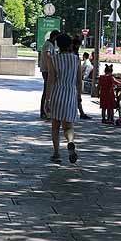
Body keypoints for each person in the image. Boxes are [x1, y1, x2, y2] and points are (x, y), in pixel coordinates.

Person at [48, 32, 80, 164]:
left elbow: (51, 79)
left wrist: (47, 100)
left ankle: (56, 153)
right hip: (70, 94)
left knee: (55, 126)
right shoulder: (76, 59)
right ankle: (70, 142)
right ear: (70, 45)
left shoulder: (53, 59)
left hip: (57, 93)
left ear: (57, 45)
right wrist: (78, 97)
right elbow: (79, 81)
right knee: (68, 127)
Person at [38, 29, 59, 120]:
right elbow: (48, 55)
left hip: (48, 70)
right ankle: (44, 111)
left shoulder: (51, 44)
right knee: (47, 91)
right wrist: (52, 65)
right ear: (54, 37)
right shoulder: (48, 45)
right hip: (47, 71)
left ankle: (46, 111)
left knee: (48, 91)